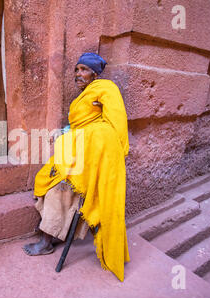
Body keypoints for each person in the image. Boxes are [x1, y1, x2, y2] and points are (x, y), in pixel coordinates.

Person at [23, 52, 130, 282]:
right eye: (77, 70)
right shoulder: (82, 98)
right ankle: (54, 236)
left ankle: (46, 242)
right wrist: (63, 133)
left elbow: (113, 126)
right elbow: (79, 125)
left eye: (84, 70)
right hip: (78, 155)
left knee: (58, 192)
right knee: (48, 182)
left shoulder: (106, 89)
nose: (78, 74)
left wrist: (74, 137)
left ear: (95, 73)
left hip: (95, 159)